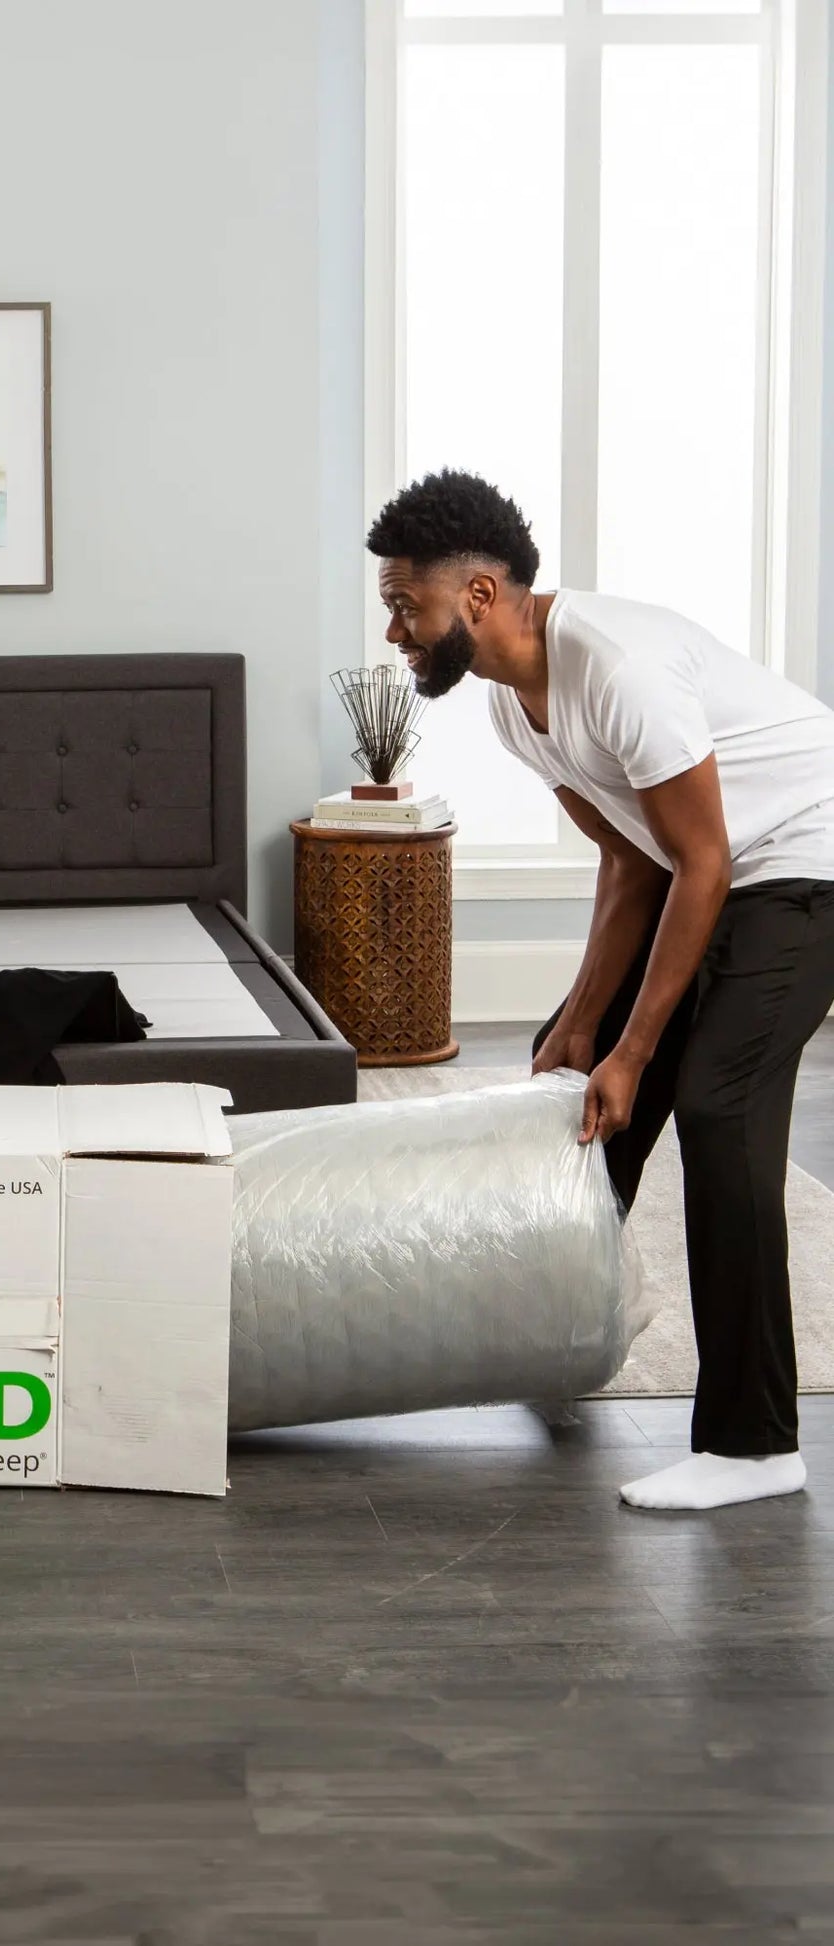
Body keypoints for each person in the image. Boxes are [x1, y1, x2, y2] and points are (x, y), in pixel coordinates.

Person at [366, 471, 834, 1510]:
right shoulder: (510, 709)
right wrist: (583, 1022)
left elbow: (702, 862)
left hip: (803, 862)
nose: (394, 628)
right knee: (573, 1077)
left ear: (478, 597)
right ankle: (557, 1340)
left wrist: (635, 1048)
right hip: (710, 863)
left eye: (405, 602)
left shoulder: (613, 666)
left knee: (716, 1105)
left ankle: (754, 1442)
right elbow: (633, 861)